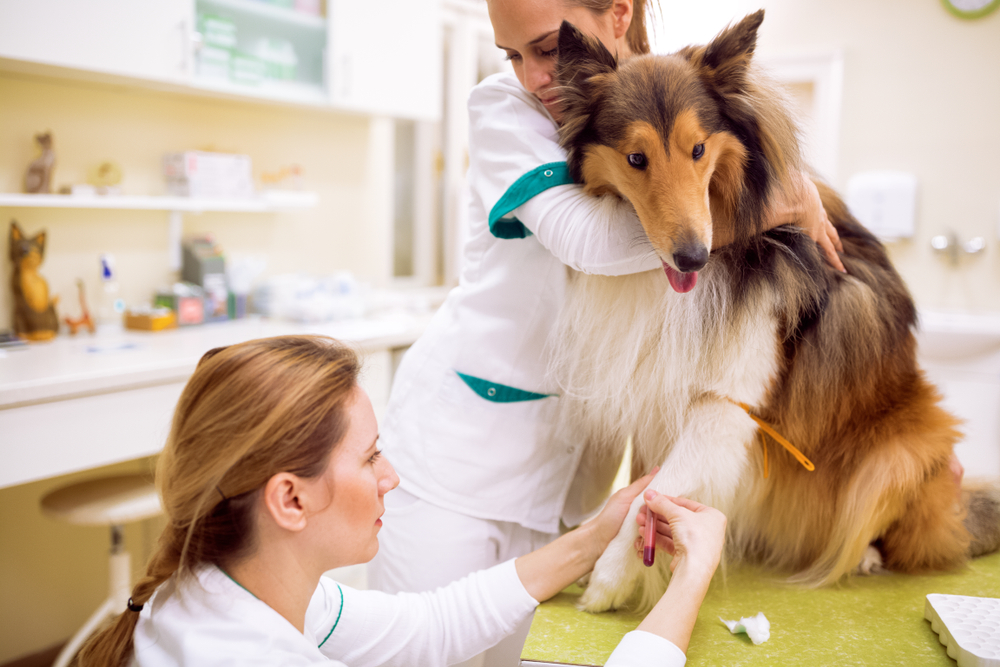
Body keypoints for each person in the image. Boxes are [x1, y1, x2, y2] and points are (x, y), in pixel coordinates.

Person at [370, 0, 845, 663]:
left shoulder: (667, 92)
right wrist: (775, 204)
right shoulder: (502, 109)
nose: (535, 75)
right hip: (460, 465)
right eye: (515, 54)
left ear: (618, 14)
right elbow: (588, 240)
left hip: (570, 479)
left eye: (545, 47)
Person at [76, 335, 726, 667]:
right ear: (289, 500)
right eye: (369, 456)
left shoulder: (224, 588)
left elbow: (434, 623)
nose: (391, 475)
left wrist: (595, 535)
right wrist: (692, 575)